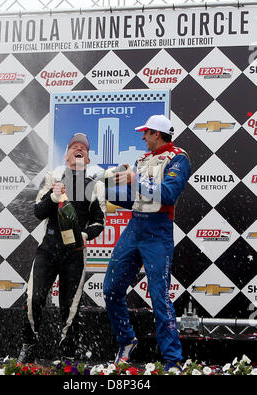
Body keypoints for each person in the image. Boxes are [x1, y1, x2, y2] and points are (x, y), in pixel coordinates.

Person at [103, 115, 191, 372]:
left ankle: (173, 361)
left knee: (160, 298)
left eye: (146, 133)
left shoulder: (179, 157)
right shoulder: (141, 160)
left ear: (158, 133)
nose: (143, 137)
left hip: (158, 231)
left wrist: (135, 180)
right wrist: (102, 191)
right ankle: (127, 341)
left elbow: (167, 194)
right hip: (135, 228)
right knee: (110, 289)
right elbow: (133, 200)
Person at [18, 133, 105, 363]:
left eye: (83, 149)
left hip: (75, 254)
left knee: (70, 307)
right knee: (33, 299)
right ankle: (29, 344)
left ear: (87, 158)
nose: (79, 150)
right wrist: (53, 198)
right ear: (67, 156)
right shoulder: (52, 179)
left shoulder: (95, 186)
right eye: (74, 147)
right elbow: (38, 212)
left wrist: (86, 234)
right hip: (48, 249)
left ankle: (68, 356)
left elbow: (99, 222)